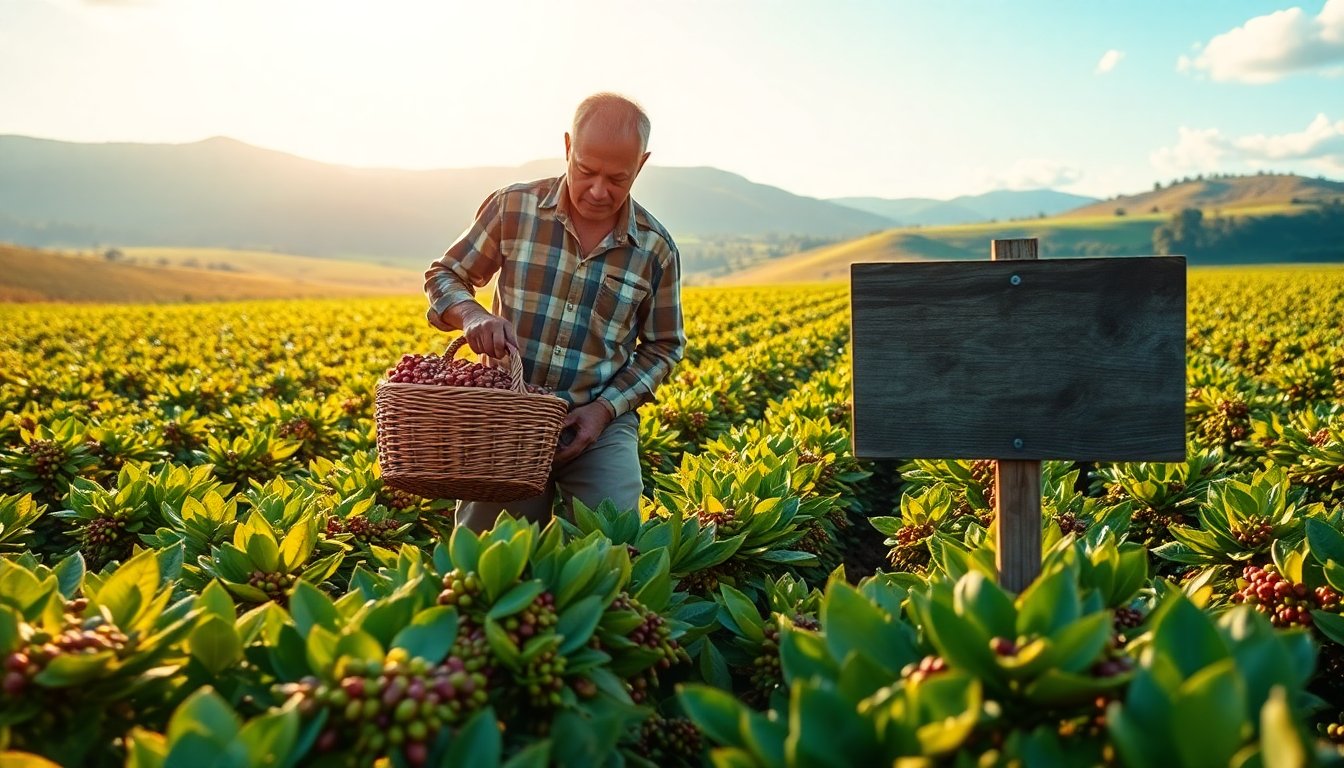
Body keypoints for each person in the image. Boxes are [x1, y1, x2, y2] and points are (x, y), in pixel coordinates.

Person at [424, 92, 686, 533]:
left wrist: (604, 411)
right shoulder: (513, 207)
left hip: (598, 422)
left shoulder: (655, 249)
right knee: (490, 556)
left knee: (613, 546)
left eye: (618, 178)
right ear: (568, 148)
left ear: (640, 166)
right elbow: (445, 276)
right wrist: (471, 315)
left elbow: (664, 347)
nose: (599, 190)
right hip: (509, 417)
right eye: (586, 171)